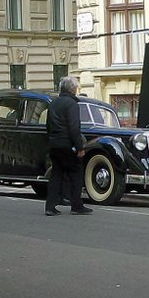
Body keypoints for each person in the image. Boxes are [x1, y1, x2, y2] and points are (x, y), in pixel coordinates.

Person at [45, 76, 92, 216]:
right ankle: (76, 205)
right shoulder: (72, 104)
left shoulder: (53, 103)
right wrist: (80, 147)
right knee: (76, 172)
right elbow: (74, 128)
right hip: (66, 144)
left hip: (54, 143)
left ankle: (50, 206)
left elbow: (48, 125)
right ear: (72, 89)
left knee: (56, 174)